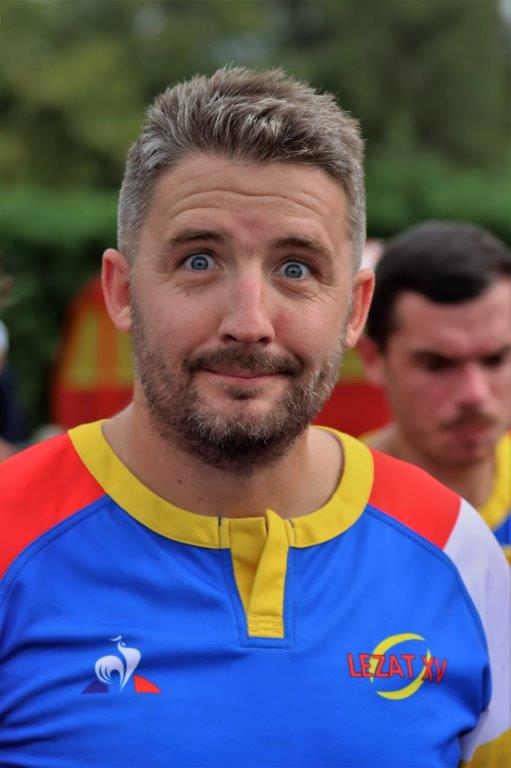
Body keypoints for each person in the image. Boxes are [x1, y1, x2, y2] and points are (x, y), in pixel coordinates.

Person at [1, 68, 509, 768]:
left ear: (355, 309)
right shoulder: (10, 533)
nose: (249, 322)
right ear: (122, 291)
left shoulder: (454, 547)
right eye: (199, 260)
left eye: (296, 269)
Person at [359, 222, 511, 563]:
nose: (474, 394)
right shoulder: (324, 512)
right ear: (373, 358)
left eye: (495, 359)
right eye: (437, 364)